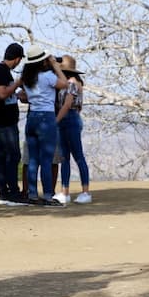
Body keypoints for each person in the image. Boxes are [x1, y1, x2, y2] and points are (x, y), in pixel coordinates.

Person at [21, 45, 68, 206]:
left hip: (31, 117)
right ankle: (48, 195)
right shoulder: (47, 76)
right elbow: (64, 84)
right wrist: (55, 65)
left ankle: (32, 194)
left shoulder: (27, 77)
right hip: (46, 117)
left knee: (33, 159)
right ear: (42, 62)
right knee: (46, 159)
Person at [0, 43, 29, 206]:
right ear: (17, 59)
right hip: (4, 121)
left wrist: (17, 95)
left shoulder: (1, 72)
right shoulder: (0, 71)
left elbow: (7, 93)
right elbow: (2, 93)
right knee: (12, 155)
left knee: (4, 155)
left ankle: (5, 192)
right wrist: (18, 83)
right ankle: (11, 192)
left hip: (3, 120)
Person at [54, 55, 92, 204]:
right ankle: (65, 192)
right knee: (65, 157)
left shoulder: (71, 83)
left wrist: (56, 120)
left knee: (77, 156)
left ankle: (85, 192)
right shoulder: (72, 83)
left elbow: (67, 104)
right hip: (70, 118)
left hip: (68, 118)